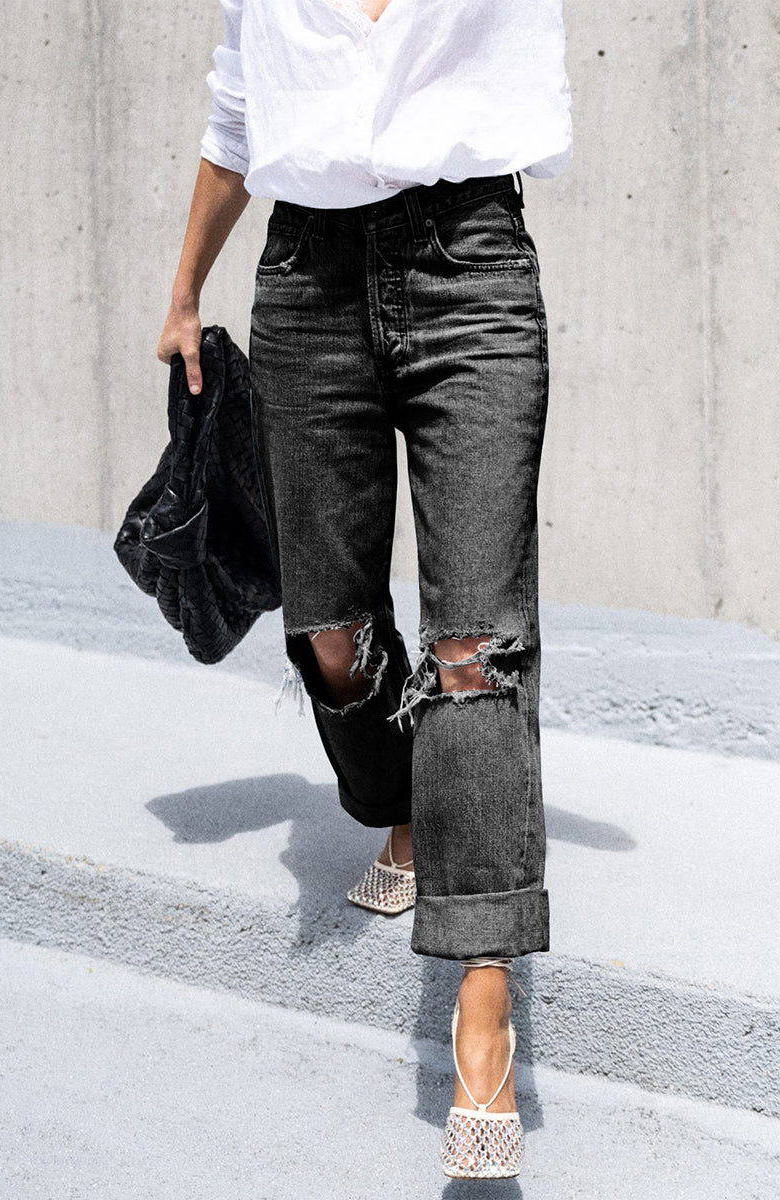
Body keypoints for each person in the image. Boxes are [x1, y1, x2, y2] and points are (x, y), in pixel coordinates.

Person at [157, 0, 572, 1179]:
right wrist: (183, 294)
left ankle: (481, 1007)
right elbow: (234, 119)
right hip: (305, 283)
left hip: (469, 272)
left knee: (474, 649)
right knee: (328, 636)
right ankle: (404, 811)